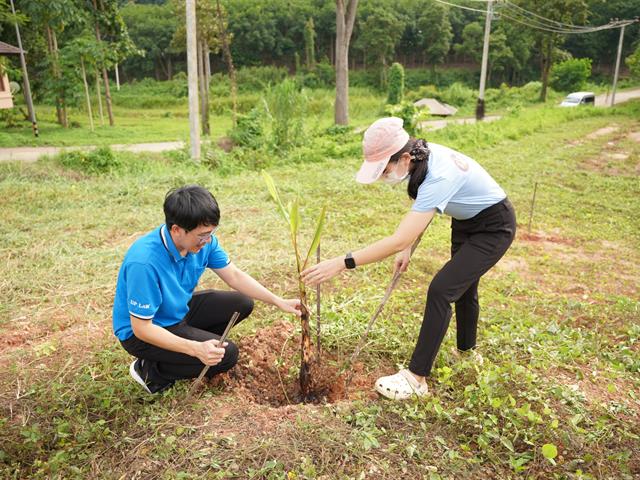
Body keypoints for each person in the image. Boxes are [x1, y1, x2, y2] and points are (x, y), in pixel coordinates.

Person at [301, 117, 516, 400]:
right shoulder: (423, 157)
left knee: (441, 290)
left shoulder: (439, 173)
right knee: (463, 289)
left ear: (404, 157)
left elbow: (399, 236)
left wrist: (343, 262)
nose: (383, 176)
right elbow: (422, 209)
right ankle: (467, 353)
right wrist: (408, 247)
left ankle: (416, 379)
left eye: (384, 169)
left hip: (494, 227)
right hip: (467, 223)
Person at [112, 185, 300, 394]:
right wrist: (195, 349)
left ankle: (188, 351)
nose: (207, 241)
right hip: (143, 332)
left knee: (241, 303)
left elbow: (234, 276)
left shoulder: (203, 244)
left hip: (176, 312)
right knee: (227, 355)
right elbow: (142, 328)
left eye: (210, 233)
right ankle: (151, 371)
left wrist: (278, 301)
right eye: (202, 235)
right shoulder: (144, 262)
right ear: (176, 230)